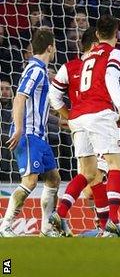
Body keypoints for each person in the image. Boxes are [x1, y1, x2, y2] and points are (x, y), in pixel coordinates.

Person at [48, 27, 120, 237]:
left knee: (93, 179)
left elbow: (54, 96)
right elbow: (105, 92)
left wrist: (69, 116)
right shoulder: (101, 61)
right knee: (94, 183)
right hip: (97, 121)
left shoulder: (68, 68)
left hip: (83, 122)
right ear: (96, 45)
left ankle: (103, 226)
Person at [63, 15, 120, 236]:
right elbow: (111, 79)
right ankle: (113, 220)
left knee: (89, 174)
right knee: (115, 166)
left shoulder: (87, 57)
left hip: (78, 116)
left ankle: (60, 214)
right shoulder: (115, 54)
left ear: (96, 34)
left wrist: (68, 115)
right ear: (117, 33)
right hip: (98, 114)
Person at [1, 30, 61, 237]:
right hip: (28, 135)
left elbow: (39, 110)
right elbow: (19, 98)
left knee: (53, 178)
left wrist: (65, 123)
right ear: (50, 47)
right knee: (30, 181)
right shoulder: (35, 69)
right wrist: (19, 129)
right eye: (54, 47)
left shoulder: (41, 70)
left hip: (39, 137)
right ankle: (5, 225)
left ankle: (45, 228)